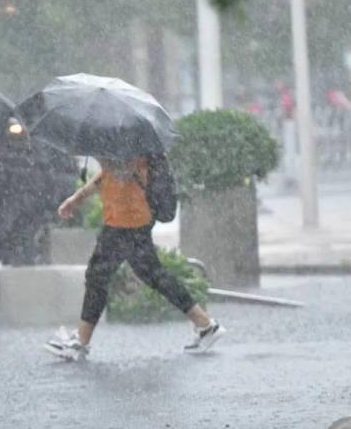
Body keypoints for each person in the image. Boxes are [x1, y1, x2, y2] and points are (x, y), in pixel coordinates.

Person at [44, 155, 225, 361]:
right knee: (153, 275)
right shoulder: (121, 142)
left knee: (98, 276)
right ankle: (205, 324)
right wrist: (78, 197)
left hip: (126, 221)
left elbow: (123, 173)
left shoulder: (131, 146)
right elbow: (108, 176)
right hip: (128, 219)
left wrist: (106, 161)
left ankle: (80, 343)